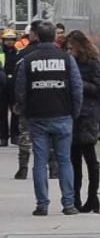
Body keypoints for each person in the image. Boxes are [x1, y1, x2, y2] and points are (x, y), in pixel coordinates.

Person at [15, 21, 83, 216]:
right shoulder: (66, 59)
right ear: (55, 37)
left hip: (37, 118)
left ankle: (42, 205)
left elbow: (20, 91)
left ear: (35, 36)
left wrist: (27, 112)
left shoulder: (28, 60)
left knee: (40, 161)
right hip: (63, 116)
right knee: (64, 161)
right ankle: (69, 204)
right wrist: (74, 112)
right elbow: (77, 89)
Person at [13, 20, 60, 180]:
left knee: (25, 136)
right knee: (51, 137)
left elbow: (18, 83)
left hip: (29, 105)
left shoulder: (23, 56)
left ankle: (23, 168)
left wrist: (19, 103)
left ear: (34, 34)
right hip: (53, 104)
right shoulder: (60, 56)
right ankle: (53, 168)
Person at [65, 30, 100, 213]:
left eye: (71, 48)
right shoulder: (68, 63)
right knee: (74, 160)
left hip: (88, 116)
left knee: (90, 159)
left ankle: (92, 197)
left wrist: (78, 83)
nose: (69, 51)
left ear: (80, 47)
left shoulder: (92, 63)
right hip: (73, 115)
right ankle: (75, 198)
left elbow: (99, 89)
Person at [1, 29, 20, 145]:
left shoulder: (18, 53)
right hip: (2, 86)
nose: (9, 42)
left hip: (14, 85)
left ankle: (15, 136)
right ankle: (3, 137)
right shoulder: (0, 53)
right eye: (7, 40)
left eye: (11, 39)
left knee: (15, 111)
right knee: (1, 113)